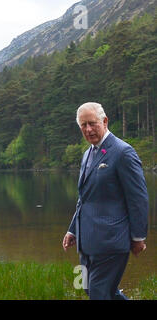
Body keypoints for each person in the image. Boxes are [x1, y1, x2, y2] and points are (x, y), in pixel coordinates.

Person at [62, 102, 148, 300]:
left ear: (105, 121)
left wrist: (138, 237)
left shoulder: (123, 152)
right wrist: (73, 229)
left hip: (111, 241)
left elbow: (138, 199)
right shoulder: (87, 154)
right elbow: (84, 198)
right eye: (83, 125)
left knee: (99, 293)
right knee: (87, 287)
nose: (88, 129)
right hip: (86, 241)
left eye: (92, 123)